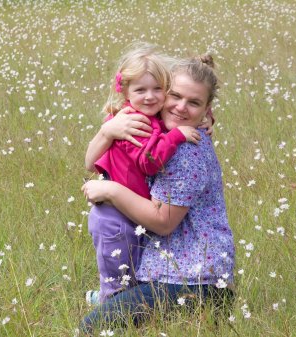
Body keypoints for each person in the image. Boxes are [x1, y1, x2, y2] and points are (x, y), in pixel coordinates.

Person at [80, 54, 235, 334]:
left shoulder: (184, 152)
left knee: (92, 327)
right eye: (175, 95)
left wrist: (111, 189)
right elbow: (91, 160)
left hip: (190, 280)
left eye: (194, 103)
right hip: (175, 272)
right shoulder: (160, 129)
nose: (180, 107)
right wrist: (107, 130)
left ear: (206, 108)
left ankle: (200, 305)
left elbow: (163, 222)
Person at [85, 44, 201, 304]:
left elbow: (184, 107)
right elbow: (149, 163)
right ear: (125, 91)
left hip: (126, 209)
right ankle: (108, 306)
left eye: (157, 89)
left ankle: (111, 300)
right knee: (118, 277)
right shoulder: (131, 122)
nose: (150, 96)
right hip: (114, 216)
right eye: (140, 90)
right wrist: (177, 135)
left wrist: (206, 118)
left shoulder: (148, 115)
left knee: (131, 268)